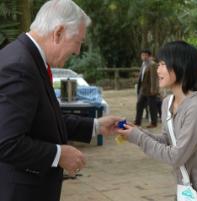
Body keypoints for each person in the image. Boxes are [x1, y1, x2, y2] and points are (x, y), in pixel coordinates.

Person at [0, 1, 120, 201]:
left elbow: (43, 119)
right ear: (58, 33)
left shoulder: (29, 58)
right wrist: (58, 154)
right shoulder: (20, 66)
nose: (78, 51)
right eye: (78, 41)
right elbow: (6, 142)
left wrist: (95, 126)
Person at [117, 41, 197, 200]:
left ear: (181, 66)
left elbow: (176, 156)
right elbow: (168, 140)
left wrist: (138, 137)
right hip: (185, 188)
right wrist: (136, 131)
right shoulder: (168, 102)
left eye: (163, 64)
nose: (158, 69)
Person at [134, 49, 159, 128]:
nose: (143, 56)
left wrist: (154, 89)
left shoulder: (152, 64)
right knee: (139, 104)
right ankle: (137, 121)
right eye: (142, 55)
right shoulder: (143, 64)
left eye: (145, 55)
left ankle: (153, 123)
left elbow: (154, 78)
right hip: (143, 89)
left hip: (150, 89)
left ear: (149, 56)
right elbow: (141, 77)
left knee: (152, 106)